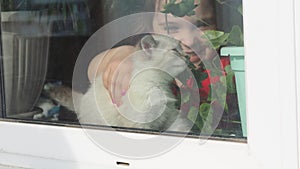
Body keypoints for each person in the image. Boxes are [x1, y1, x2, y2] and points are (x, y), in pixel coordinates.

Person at [88, 0, 219, 106]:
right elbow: (92, 68)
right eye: (172, 28)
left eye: (202, 25)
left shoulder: (229, 70)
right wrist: (125, 54)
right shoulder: (147, 68)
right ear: (150, 30)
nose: (189, 41)